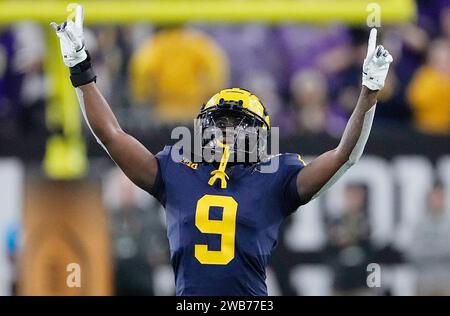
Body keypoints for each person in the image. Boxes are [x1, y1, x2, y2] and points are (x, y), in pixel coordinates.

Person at [50, 6, 392, 296]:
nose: (226, 134)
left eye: (238, 125)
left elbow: (345, 155)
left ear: (259, 135)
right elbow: (110, 135)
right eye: (219, 124)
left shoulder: (276, 177)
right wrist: (80, 68)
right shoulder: (176, 169)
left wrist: (368, 94)